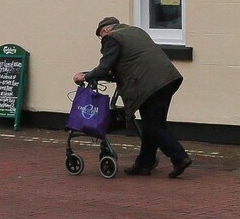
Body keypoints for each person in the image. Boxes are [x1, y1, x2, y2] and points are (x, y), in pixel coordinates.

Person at [76, 16, 190, 177]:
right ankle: (144, 163)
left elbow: (104, 67)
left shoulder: (112, 37)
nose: (102, 39)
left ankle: (180, 158)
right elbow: (132, 59)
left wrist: (85, 76)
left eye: (101, 35)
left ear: (106, 30)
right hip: (168, 78)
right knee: (153, 124)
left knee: (154, 126)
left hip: (149, 84)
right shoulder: (135, 31)